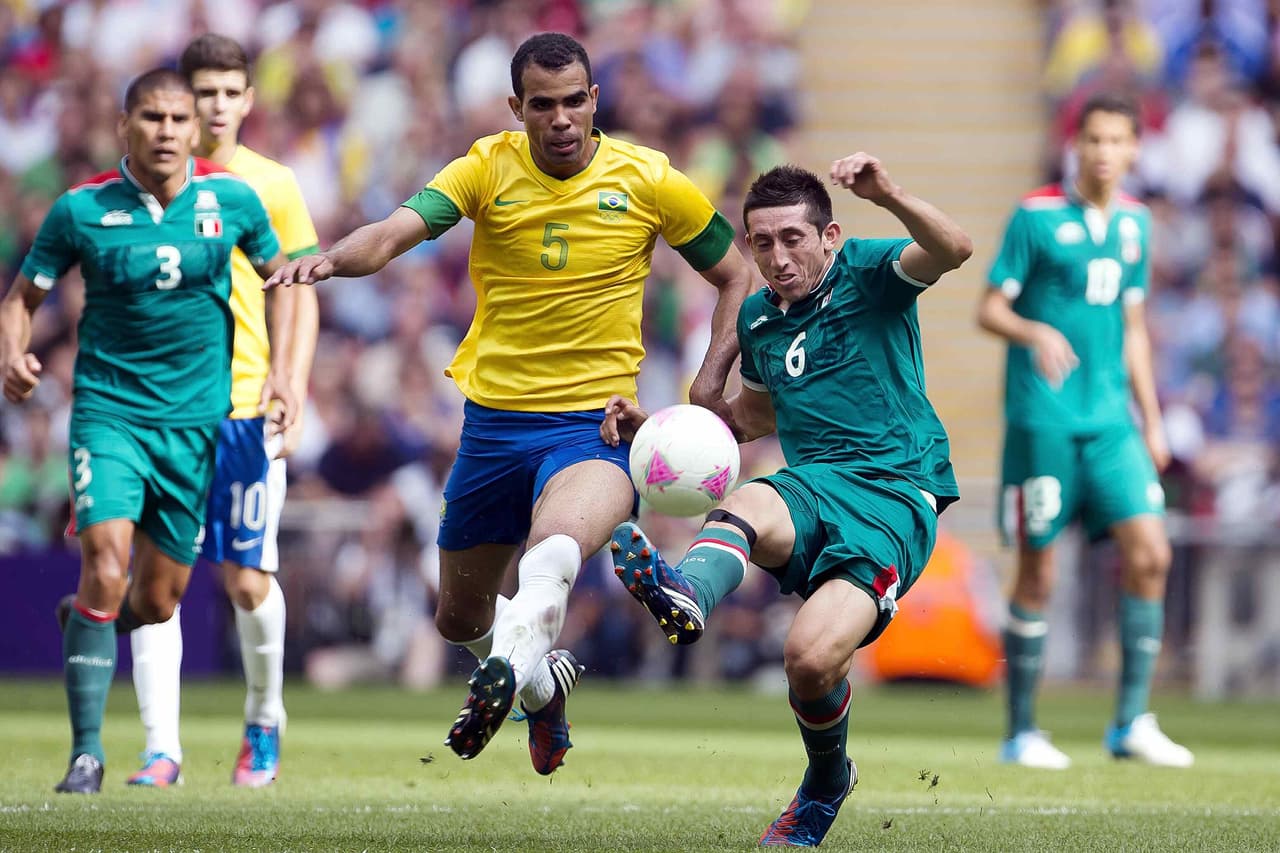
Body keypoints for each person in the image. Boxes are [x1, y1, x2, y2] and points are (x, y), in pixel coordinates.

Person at [264, 32, 755, 775]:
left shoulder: (650, 180)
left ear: (594, 100)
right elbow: (397, 230)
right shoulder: (486, 166)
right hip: (493, 426)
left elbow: (734, 273)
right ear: (515, 108)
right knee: (459, 617)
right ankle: (537, 686)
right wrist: (334, 258)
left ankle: (515, 666)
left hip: (594, 428)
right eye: (542, 105)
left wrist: (709, 381)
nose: (560, 119)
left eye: (573, 102)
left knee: (550, 555)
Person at [604, 157, 972, 847]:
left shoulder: (867, 273)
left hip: (893, 495)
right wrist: (655, 430)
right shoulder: (761, 321)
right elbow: (748, 420)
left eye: (793, 238)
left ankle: (827, 781)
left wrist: (888, 192)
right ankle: (687, 593)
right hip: (811, 486)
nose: (777, 256)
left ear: (829, 236)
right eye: (762, 242)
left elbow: (955, 248)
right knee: (752, 495)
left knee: (808, 660)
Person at [0, 68, 295, 794]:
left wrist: (283, 374)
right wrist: (14, 350)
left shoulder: (234, 201)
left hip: (197, 426)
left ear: (196, 129)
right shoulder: (81, 210)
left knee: (158, 600)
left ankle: (92, 622)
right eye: (152, 118)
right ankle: (88, 754)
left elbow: (280, 280)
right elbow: (23, 295)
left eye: (177, 119)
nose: (166, 131)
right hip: (108, 415)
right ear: (123, 124)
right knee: (105, 562)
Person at [120, 34, 321, 790]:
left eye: (229, 92)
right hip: (161, 412)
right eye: (202, 91)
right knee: (158, 579)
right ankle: (159, 749)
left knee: (244, 580)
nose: (214, 106)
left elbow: (298, 287)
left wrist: (291, 379)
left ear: (247, 99)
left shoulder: (270, 184)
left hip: (243, 406)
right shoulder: (145, 181)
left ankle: (265, 716)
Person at [977, 92, 1193, 769]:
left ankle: (1130, 721)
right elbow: (989, 308)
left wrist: (1151, 422)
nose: (1103, 152)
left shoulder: (1135, 224)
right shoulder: (1035, 216)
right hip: (1043, 421)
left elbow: (1133, 330)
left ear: (1134, 149)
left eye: (1116, 141)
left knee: (1151, 552)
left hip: (1110, 425)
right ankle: (1021, 731)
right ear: (1076, 144)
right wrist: (1032, 328)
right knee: (1039, 571)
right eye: (1092, 139)